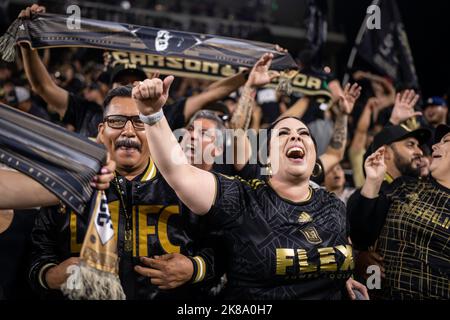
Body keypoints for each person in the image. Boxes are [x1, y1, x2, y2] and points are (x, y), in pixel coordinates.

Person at [130, 55, 369, 300]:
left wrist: (343, 275)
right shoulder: (243, 197)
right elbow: (179, 172)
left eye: (303, 133)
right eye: (283, 133)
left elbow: (338, 250)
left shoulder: (334, 205)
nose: (296, 137)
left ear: (313, 158)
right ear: (265, 156)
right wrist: (152, 115)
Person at [28, 85, 224, 300]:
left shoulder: (185, 185)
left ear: (154, 132)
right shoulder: (68, 183)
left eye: (140, 121)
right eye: (117, 121)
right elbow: (36, 250)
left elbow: (224, 249)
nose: (128, 131)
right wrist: (49, 275)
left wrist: (195, 269)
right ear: (102, 131)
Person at [19, 4, 253, 138]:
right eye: (122, 82)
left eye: (134, 82)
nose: (129, 87)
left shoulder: (164, 116)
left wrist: (247, 76)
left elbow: (209, 95)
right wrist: (27, 43)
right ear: (106, 88)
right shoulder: (86, 112)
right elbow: (42, 87)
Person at [349, 124, 450, 299]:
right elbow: (361, 236)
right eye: (410, 145)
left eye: (446, 141)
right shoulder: (405, 186)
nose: (430, 147)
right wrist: (358, 257)